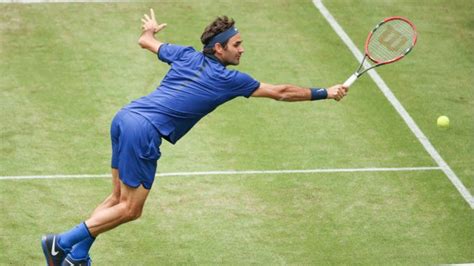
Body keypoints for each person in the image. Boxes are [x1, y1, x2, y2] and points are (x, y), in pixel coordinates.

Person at [41, 8, 348, 266]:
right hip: (144, 131)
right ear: (219, 49)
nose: (242, 49)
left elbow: (146, 41)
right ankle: (61, 242)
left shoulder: (185, 55)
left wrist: (149, 31)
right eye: (237, 44)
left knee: (117, 199)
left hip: (124, 118)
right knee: (131, 209)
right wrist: (325, 92)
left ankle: (77, 255)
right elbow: (281, 92)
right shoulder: (231, 80)